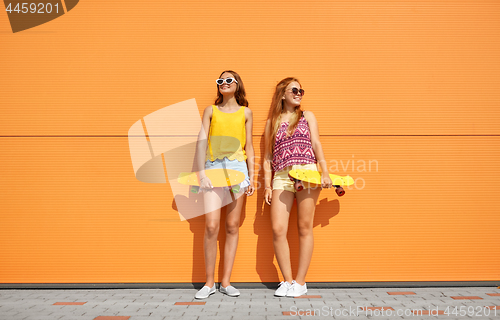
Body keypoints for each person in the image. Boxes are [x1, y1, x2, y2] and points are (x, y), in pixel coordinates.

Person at [263, 77, 332, 297]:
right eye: (294, 89)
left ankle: (300, 282)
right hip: (282, 176)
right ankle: (287, 280)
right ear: (282, 94)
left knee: (304, 227)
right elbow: (267, 157)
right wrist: (266, 185)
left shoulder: (307, 116)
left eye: (301, 90)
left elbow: (317, 144)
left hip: (308, 173)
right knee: (278, 230)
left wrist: (325, 172)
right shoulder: (271, 122)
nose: (299, 93)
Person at [194, 70, 255, 299]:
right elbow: (201, 141)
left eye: (229, 80)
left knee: (232, 226)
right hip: (213, 168)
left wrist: (252, 176)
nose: (224, 83)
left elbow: (248, 146)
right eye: (220, 81)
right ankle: (209, 283)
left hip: (238, 169)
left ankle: (226, 282)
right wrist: (201, 174)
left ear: (237, 84)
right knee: (211, 225)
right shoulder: (210, 110)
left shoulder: (245, 112)